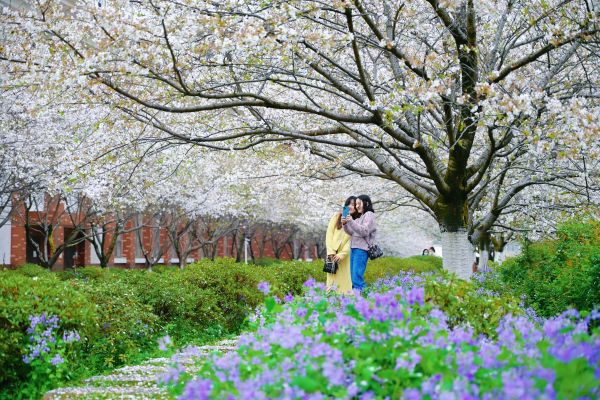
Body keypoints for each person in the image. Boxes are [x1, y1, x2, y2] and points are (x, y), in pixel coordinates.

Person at [342, 194, 376, 292]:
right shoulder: (360, 217)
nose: (356, 206)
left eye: (358, 203)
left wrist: (351, 221)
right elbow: (351, 232)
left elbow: (364, 231)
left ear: (366, 203)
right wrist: (345, 224)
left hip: (361, 250)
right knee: (353, 279)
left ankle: (368, 300)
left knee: (357, 279)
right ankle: (358, 301)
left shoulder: (369, 215)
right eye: (356, 204)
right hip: (354, 249)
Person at [325, 196, 356, 293]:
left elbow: (352, 240)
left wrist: (342, 254)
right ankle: (331, 301)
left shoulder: (355, 222)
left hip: (344, 257)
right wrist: (330, 252)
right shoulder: (336, 217)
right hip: (332, 255)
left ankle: (344, 302)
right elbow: (329, 234)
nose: (351, 206)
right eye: (349, 204)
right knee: (331, 280)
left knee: (344, 280)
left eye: (354, 205)